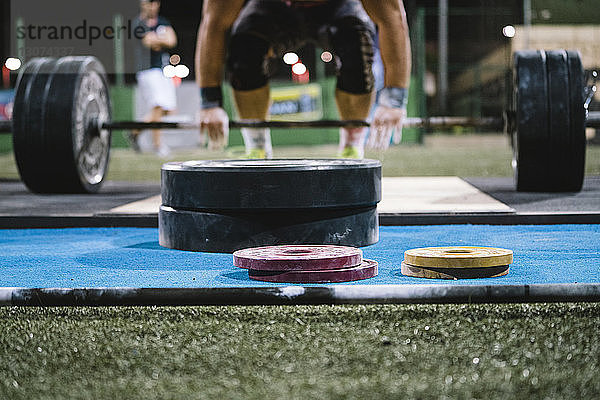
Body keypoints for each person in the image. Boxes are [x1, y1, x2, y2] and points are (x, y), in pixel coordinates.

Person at [195, 0, 411, 159]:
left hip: (337, 7)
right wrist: (210, 102)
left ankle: (352, 147)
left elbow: (391, 17)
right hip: (274, 8)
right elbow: (214, 22)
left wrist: (394, 99)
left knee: (357, 46)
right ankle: (257, 148)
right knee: (245, 48)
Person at [130, 0, 178, 157]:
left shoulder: (163, 21)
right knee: (158, 106)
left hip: (163, 70)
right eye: (148, 2)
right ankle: (158, 145)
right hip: (147, 70)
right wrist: (160, 39)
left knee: (168, 111)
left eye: (154, 2)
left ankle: (135, 131)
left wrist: (157, 39)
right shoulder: (139, 23)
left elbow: (172, 41)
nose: (151, 5)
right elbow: (150, 43)